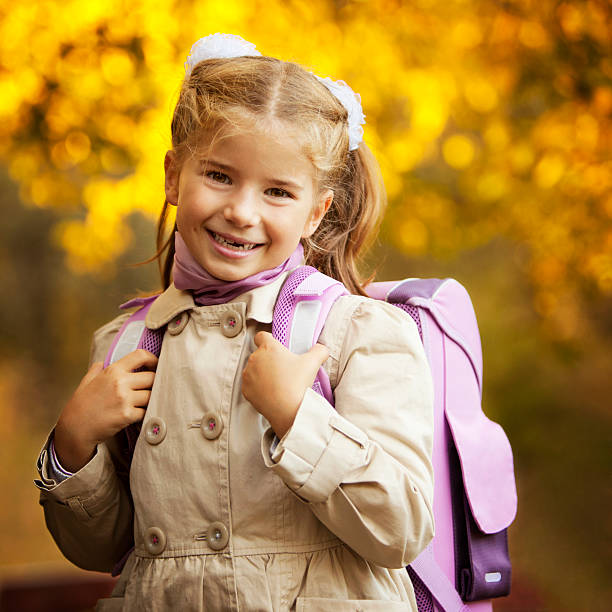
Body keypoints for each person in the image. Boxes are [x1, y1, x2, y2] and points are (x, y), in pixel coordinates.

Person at [35, 33, 435, 611]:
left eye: (277, 191)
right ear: (174, 176)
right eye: (219, 176)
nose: (242, 212)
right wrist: (72, 447)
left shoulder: (357, 333)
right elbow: (103, 549)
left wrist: (298, 419)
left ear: (314, 213)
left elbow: (401, 530)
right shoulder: (125, 343)